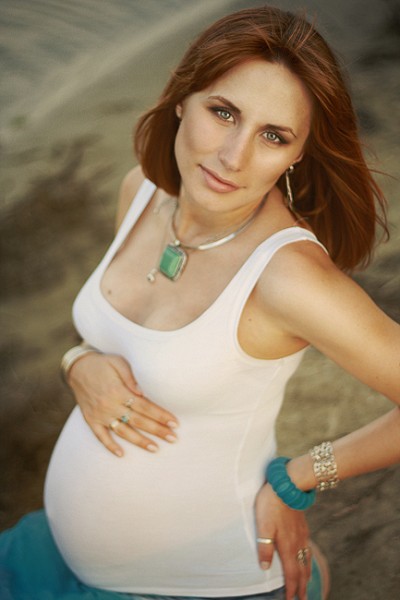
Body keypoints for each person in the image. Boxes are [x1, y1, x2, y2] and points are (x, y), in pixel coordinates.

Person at [1, 5, 399, 600]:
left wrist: (300, 478)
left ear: (298, 154)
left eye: (273, 136)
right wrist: (78, 362)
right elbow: (121, 336)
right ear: (183, 98)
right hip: (52, 558)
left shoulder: (287, 278)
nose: (234, 156)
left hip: (203, 581)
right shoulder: (141, 192)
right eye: (224, 112)